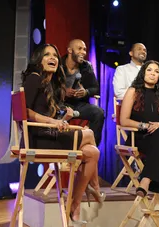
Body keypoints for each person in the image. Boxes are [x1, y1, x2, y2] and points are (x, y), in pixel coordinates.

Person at [21, 44, 105, 223]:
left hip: (46, 135)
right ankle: (94, 186)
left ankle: (74, 205)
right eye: (47, 55)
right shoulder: (34, 78)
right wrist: (53, 121)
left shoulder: (48, 84)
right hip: (36, 139)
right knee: (88, 134)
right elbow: (25, 112)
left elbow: (46, 112)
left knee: (93, 153)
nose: (52, 58)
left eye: (55, 56)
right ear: (38, 59)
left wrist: (62, 115)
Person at [120, 60, 159, 213]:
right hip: (139, 137)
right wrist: (145, 126)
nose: (152, 73)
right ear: (143, 73)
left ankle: (146, 180)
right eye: (149, 70)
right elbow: (124, 120)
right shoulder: (133, 91)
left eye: (156, 71)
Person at [113, 43, 159, 139]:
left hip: (155, 105)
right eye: (139, 49)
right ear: (131, 53)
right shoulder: (122, 69)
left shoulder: (153, 70)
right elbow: (119, 91)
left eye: (145, 50)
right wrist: (137, 96)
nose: (143, 51)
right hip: (134, 107)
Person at [62, 39, 104, 146]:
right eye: (79, 49)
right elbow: (50, 88)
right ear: (70, 50)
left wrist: (85, 92)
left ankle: (92, 147)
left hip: (79, 105)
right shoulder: (59, 65)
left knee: (98, 113)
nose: (83, 52)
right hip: (60, 104)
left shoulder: (86, 67)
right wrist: (63, 91)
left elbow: (95, 88)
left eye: (84, 49)